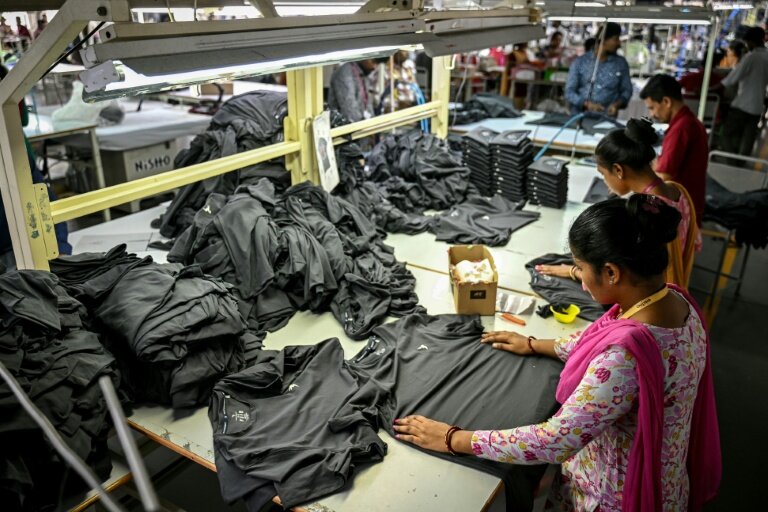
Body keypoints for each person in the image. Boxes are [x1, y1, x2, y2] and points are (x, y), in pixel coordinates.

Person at [393, 194, 721, 510]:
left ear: (611, 272)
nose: (580, 282)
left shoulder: (624, 358)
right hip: (665, 475)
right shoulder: (678, 302)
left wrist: (453, 438)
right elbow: (604, 338)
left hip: (615, 495)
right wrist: (536, 344)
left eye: (581, 269)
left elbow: (555, 440)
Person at [537, 118, 701, 288]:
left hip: (655, 297)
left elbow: (621, 280)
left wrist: (573, 271)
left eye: (603, 174)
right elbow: (696, 242)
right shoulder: (678, 191)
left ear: (618, 170)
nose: (605, 182)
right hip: (676, 288)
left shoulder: (644, 215)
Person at [641, 73, 709, 225]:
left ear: (666, 101)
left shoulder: (681, 128)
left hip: (680, 211)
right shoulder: (689, 121)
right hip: (688, 204)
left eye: (652, 108)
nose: (652, 114)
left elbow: (663, 176)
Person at [718, 26, 768, 155]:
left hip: (742, 105)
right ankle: (741, 165)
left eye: (747, 42)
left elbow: (731, 79)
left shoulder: (751, 57)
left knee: (726, 134)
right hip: (757, 107)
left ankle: (732, 162)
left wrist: (715, 87)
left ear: (752, 41)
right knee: (748, 139)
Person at [565, 22, 632, 116]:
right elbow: (569, 92)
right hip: (579, 117)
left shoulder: (620, 64)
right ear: (603, 40)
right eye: (615, 39)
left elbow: (627, 90)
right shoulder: (580, 62)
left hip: (606, 118)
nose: (618, 43)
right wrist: (587, 104)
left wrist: (616, 105)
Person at [327, 59, 378, 123]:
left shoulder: (363, 73)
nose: (374, 67)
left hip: (360, 126)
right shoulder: (345, 73)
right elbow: (350, 111)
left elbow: (368, 105)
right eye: (373, 61)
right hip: (344, 127)